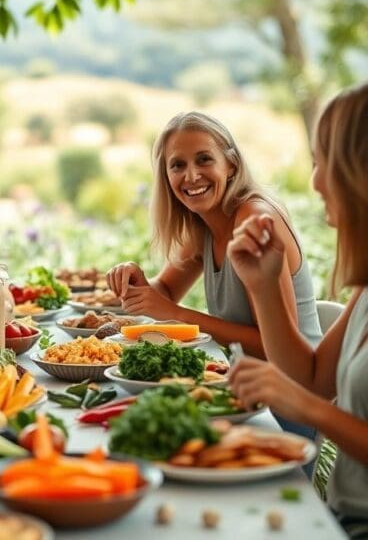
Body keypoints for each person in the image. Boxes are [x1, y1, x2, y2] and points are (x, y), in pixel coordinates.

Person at [229, 84, 368, 537]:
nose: (315, 181)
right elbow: (310, 376)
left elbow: (308, 396)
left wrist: (309, 410)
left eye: (322, 162)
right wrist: (264, 284)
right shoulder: (365, 288)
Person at [106, 111, 321, 359]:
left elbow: (275, 347)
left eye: (204, 159)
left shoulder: (253, 218)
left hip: (297, 378)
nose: (191, 176)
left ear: (231, 165)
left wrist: (176, 314)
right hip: (246, 374)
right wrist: (138, 284)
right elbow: (166, 290)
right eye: (178, 165)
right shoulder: (204, 224)